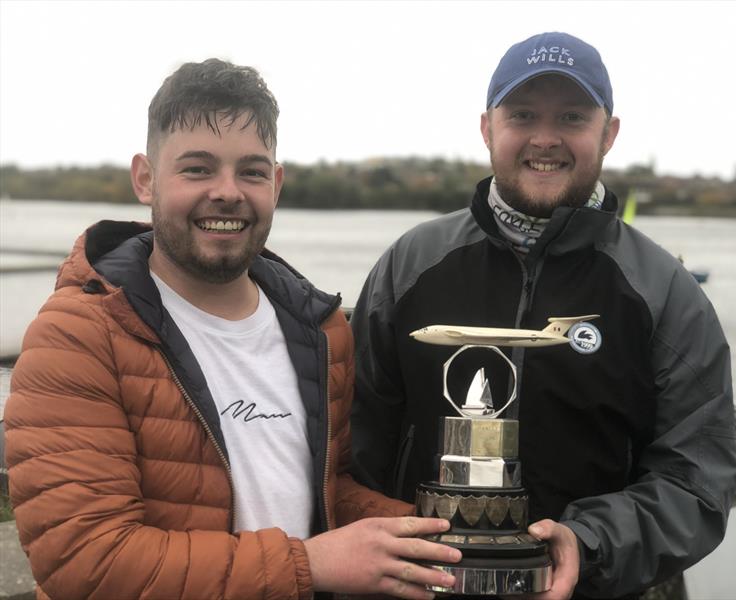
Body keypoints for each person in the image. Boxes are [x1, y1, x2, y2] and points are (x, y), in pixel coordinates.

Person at [4, 58, 462, 600]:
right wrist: (308, 565)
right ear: (145, 178)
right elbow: (86, 560)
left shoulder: (321, 332)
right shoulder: (77, 337)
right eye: (197, 169)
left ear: (277, 182)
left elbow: (326, 495)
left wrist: (461, 538)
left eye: (251, 171)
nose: (228, 192)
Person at [350, 32, 736, 600]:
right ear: (488, 128)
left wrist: (590, 543)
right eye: (523, 114)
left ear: (608, 133)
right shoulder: (411, 263)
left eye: (573, 117)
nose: (545, 139)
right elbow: (354, 443)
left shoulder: (665, 291)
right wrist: (396, 538)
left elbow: (697, 484)